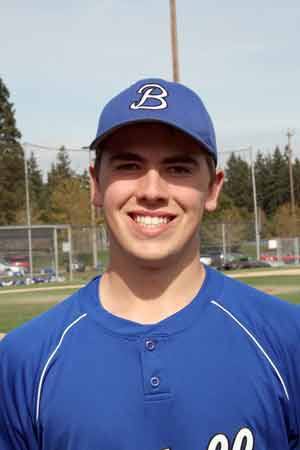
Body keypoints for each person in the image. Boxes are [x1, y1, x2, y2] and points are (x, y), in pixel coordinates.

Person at [0, 78, 299, 450]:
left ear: (213, 188)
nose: (152, 191)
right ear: (95, 184)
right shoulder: (24, 361)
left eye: (179, 169)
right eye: (129, 165)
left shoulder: (287, 340)